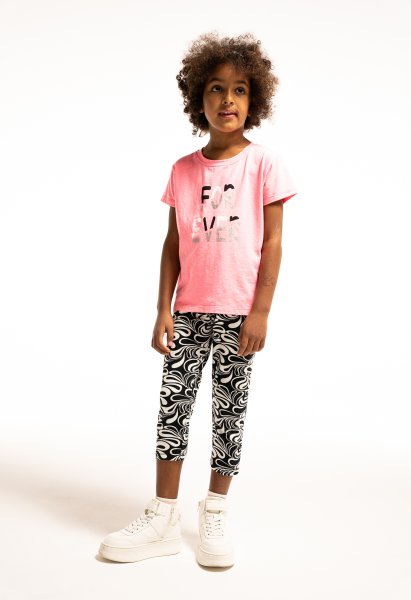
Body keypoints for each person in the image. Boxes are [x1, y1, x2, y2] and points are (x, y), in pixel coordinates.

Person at [98, 31, 298, 568]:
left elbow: (274, 243)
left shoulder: (264, 165)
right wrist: (162, 309)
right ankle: (164, 516)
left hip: (238, 315)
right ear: (197, 98)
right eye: (216, 88)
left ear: (254, 101)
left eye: (239, 90)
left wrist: (260, 311)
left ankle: (215, 509)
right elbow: (172, 244)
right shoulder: (183, 170)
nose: (227, 99)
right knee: (174, 410)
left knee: (229, 413)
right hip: (187, 311)